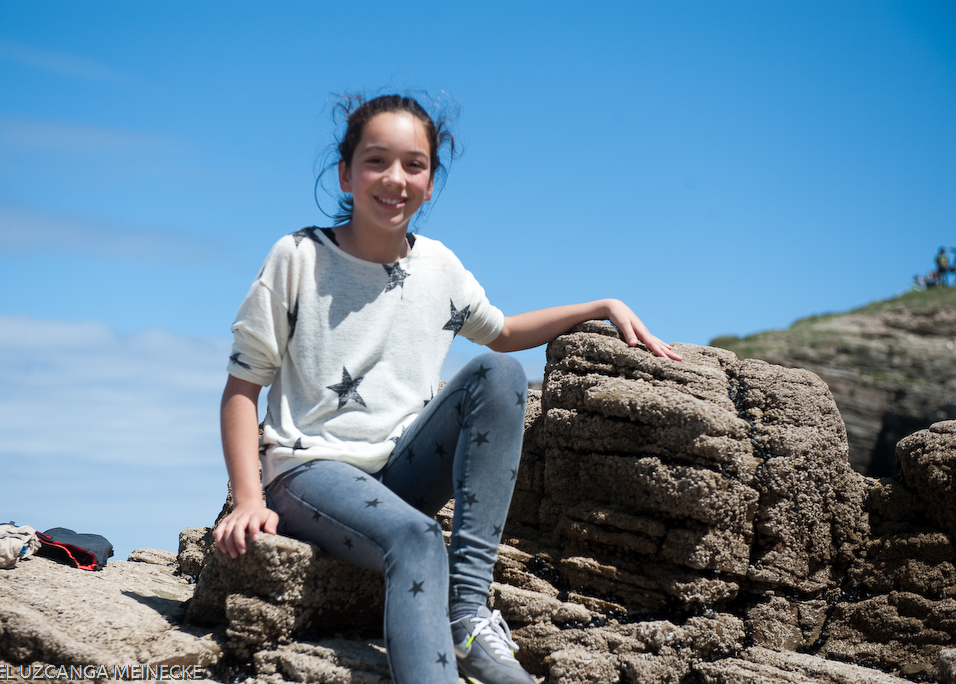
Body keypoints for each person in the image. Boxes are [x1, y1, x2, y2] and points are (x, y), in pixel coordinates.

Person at [213, 93, 681, 684]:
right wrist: (249, 499)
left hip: (399, 473)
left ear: (431, 182)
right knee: (417, 537)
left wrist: (601, 303)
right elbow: (241, 388)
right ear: (345, 172)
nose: (395, 179)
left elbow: (505, 334)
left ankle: (467, 615)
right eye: (376, 161)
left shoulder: (440, 268)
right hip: (309, 474)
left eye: (414, 165)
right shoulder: (298, 257)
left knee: (500, 375)